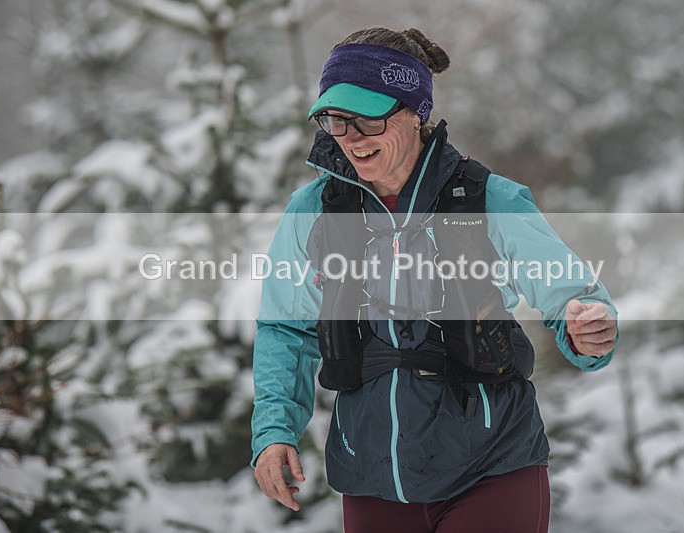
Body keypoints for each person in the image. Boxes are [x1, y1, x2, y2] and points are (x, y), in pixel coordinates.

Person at [251, 27, 618, 533]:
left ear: (414, 113)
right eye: (336, 120)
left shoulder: (490, 199)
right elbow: (286, 330)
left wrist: (587, 329)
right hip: (370, 475)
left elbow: (573, 296)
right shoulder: (313, 211)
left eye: (367, 118)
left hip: (492, 467)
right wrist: (274, 431)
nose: (351, 137)